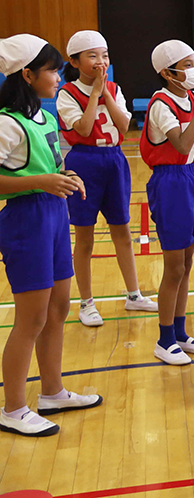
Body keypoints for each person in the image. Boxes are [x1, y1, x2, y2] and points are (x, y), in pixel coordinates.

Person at [0, 34, 103, 436]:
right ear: (27, 75)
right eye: (52, 70)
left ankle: (52, 391)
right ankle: (11, 407)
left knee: (59, 307)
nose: (59, 76)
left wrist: (65, 175)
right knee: (31, 318)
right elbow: (26, 177)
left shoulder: (41, 116)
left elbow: (52, 163)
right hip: (27, 222)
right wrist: (41, 181)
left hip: (55, 215)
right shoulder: (6, 123)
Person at [57, 30, 157, 326]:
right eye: (92, 56)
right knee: (85, 238)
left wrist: (106, 94)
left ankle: (134, 294)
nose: (101, 62)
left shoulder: (114, 87)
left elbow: (125, 125)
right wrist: (95, 95)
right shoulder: (66, 93)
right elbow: (84, 129)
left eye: (105, 55)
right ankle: (86, 302)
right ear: (75, 61)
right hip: (83, 163)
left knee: (122, 231)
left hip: (114, 161)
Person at [140, 40, 194, 365]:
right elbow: (183, 144)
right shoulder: (161, 103)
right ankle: (164, 339)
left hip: (192, 177)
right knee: (174, 266)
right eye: (186, 65)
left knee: (187, 263)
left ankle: (181, 333)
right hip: (169, 181)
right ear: (167, 73)